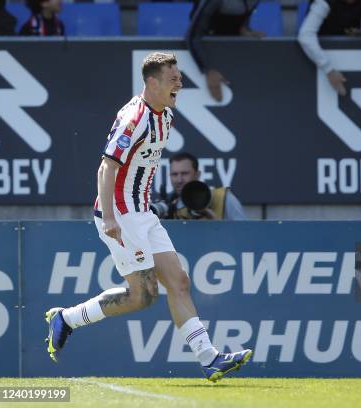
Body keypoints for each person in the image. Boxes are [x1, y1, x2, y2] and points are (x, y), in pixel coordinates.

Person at [44, 52, 252, 382]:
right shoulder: (135, 118)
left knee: (179, 283)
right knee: (142, 296)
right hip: (122, 214)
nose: (180, 83)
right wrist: (110, 217)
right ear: (152, 82)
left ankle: (210, 359)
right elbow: (106, 167)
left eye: (179, 78)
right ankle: (67, 319)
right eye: (173, 79)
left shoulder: (164, 116)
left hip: (142, 210)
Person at [186, 0, 265, 102]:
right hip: (206, 51)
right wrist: (208, 71)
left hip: (230, 54)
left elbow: (244, 17)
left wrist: (244, 30)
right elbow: (192, 37)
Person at [298, 0, 361, 96]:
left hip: (354, 59)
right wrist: (329, 69)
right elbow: (305, 36)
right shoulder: (323, 3)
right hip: (318, 62)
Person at [159, 151, 246, 220]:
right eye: (174, 174)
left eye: (185, 173)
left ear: (197, 174)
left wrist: (217, 227)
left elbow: (245, 234)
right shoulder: (167, 207)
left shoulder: (223, 198)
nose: (179, 180)